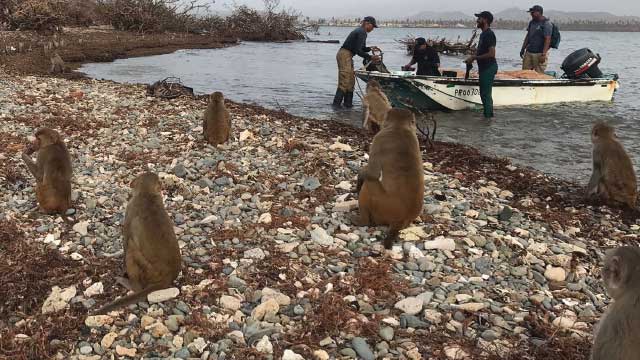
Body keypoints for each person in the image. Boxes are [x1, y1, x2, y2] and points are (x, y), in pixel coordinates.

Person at [333, 16, 380, 108]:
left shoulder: (361, 31)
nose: (373, 29)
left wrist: (370, 48)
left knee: (351, 82)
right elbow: (358, 50)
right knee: (344, 81)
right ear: (367, 24)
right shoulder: (362, 32)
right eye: (373, 26)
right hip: (344, 55)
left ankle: (348, 105)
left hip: (347, 55)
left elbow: (362, 48)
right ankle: (336, 106)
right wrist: (370, 57)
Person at [465, 11, 497, 119]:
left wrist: (474, 57)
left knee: (485, 95)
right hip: (484, 68)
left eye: (479, 18)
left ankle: (488, 118)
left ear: (485, 20)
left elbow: (492, 54)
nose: (477, 20)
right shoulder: (483, 34)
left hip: (489, 68)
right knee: (484, 94)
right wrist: (473, 56)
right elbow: (484, 52)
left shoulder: (489, 34)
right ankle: (487, 119)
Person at [520, 5, 552, 73]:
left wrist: (544, 54)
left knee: (539, 74)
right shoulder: (532, 22)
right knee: (525, 73)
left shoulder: (546, 24)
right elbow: (528, 36)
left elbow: (548, 39)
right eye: (531, 12)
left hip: (540, 53)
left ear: (539, 12)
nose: (531, 14)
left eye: (532, 12)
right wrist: (523, 49)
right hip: (529, 52)